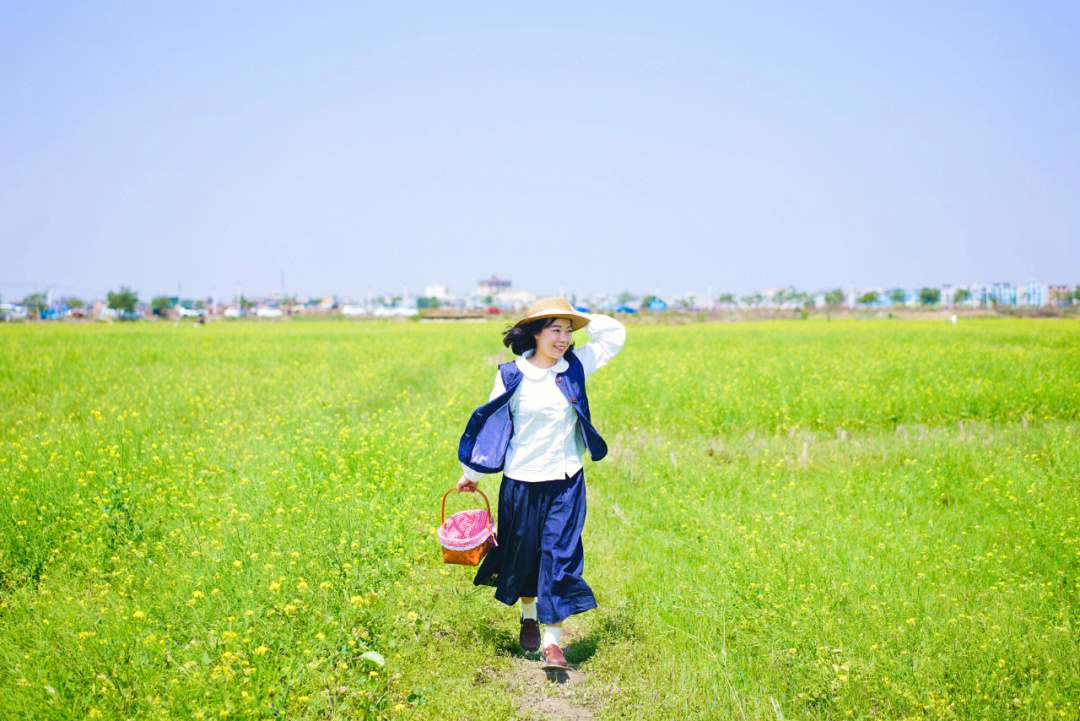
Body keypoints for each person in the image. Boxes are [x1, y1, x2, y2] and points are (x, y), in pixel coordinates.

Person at [456, 297, 626, 670]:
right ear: (535, 332)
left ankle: (552, 643)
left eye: (569, 331)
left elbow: (615, 335)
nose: (564, 338)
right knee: (523, 555)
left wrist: (581, 316)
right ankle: (528, 614)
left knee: (558, 557)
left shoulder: (575, 368)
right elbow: (493, 426)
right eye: (555, 329)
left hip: (566, 480)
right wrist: (473, 475)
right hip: (520, 481)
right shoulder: (511, 375)